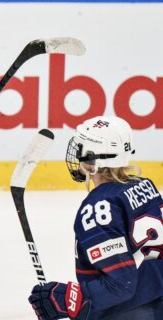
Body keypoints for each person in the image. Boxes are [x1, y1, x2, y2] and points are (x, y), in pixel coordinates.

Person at [28, 116, 163, 320]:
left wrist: (70, 300)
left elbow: (121, 285)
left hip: (130, 311)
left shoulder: (98, 209)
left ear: (92, 161)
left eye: (81, 148)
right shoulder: (145, 186)